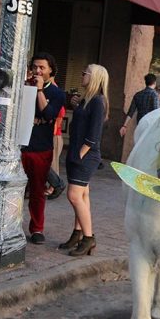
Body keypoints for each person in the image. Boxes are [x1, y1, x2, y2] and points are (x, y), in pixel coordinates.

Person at [59, 64, 109, 256]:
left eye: (84, 73)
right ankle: (78, 234)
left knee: (74, 195)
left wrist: (82, 152)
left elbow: (94, 133)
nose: (81, 75)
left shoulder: (98, 101)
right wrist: (76, 104)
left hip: (85, 155)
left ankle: (89, 238)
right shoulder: (88, 100)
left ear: (94, 77)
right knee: (82, 195)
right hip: (78, 152)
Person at [21, 53, 66, 244]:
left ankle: (37, 228)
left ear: (50, 71)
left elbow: (48, 114)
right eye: (35, 67)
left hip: (40, 147)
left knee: (38, 191)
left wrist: (39, 91)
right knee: (14, 189)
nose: (38, 71)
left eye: (42, 68)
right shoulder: (23, 86)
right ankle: (11, 225)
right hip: (20, 145)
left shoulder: (57, 93)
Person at [119, 73, 159, 137]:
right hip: (149, 127)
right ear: (154, 82)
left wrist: (124, 126)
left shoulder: (138, 94)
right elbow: (156, 113)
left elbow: (130, 112)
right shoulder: (155, 95)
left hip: (140, 125)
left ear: (146, 82)